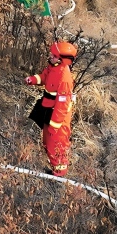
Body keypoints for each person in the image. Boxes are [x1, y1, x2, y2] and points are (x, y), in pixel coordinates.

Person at [24, 40, 77, 176]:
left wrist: (54, 126)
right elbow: (44, 77)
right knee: (47, 142)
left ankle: (59, 175)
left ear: (62, 59)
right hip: (49, 110)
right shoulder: (53, 67)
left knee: (57, 145)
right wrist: (33, 80)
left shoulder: (64, 78)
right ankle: (55, 169)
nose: (50, 56)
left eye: (54, 55)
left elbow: (62, 106)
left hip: (58, 118)